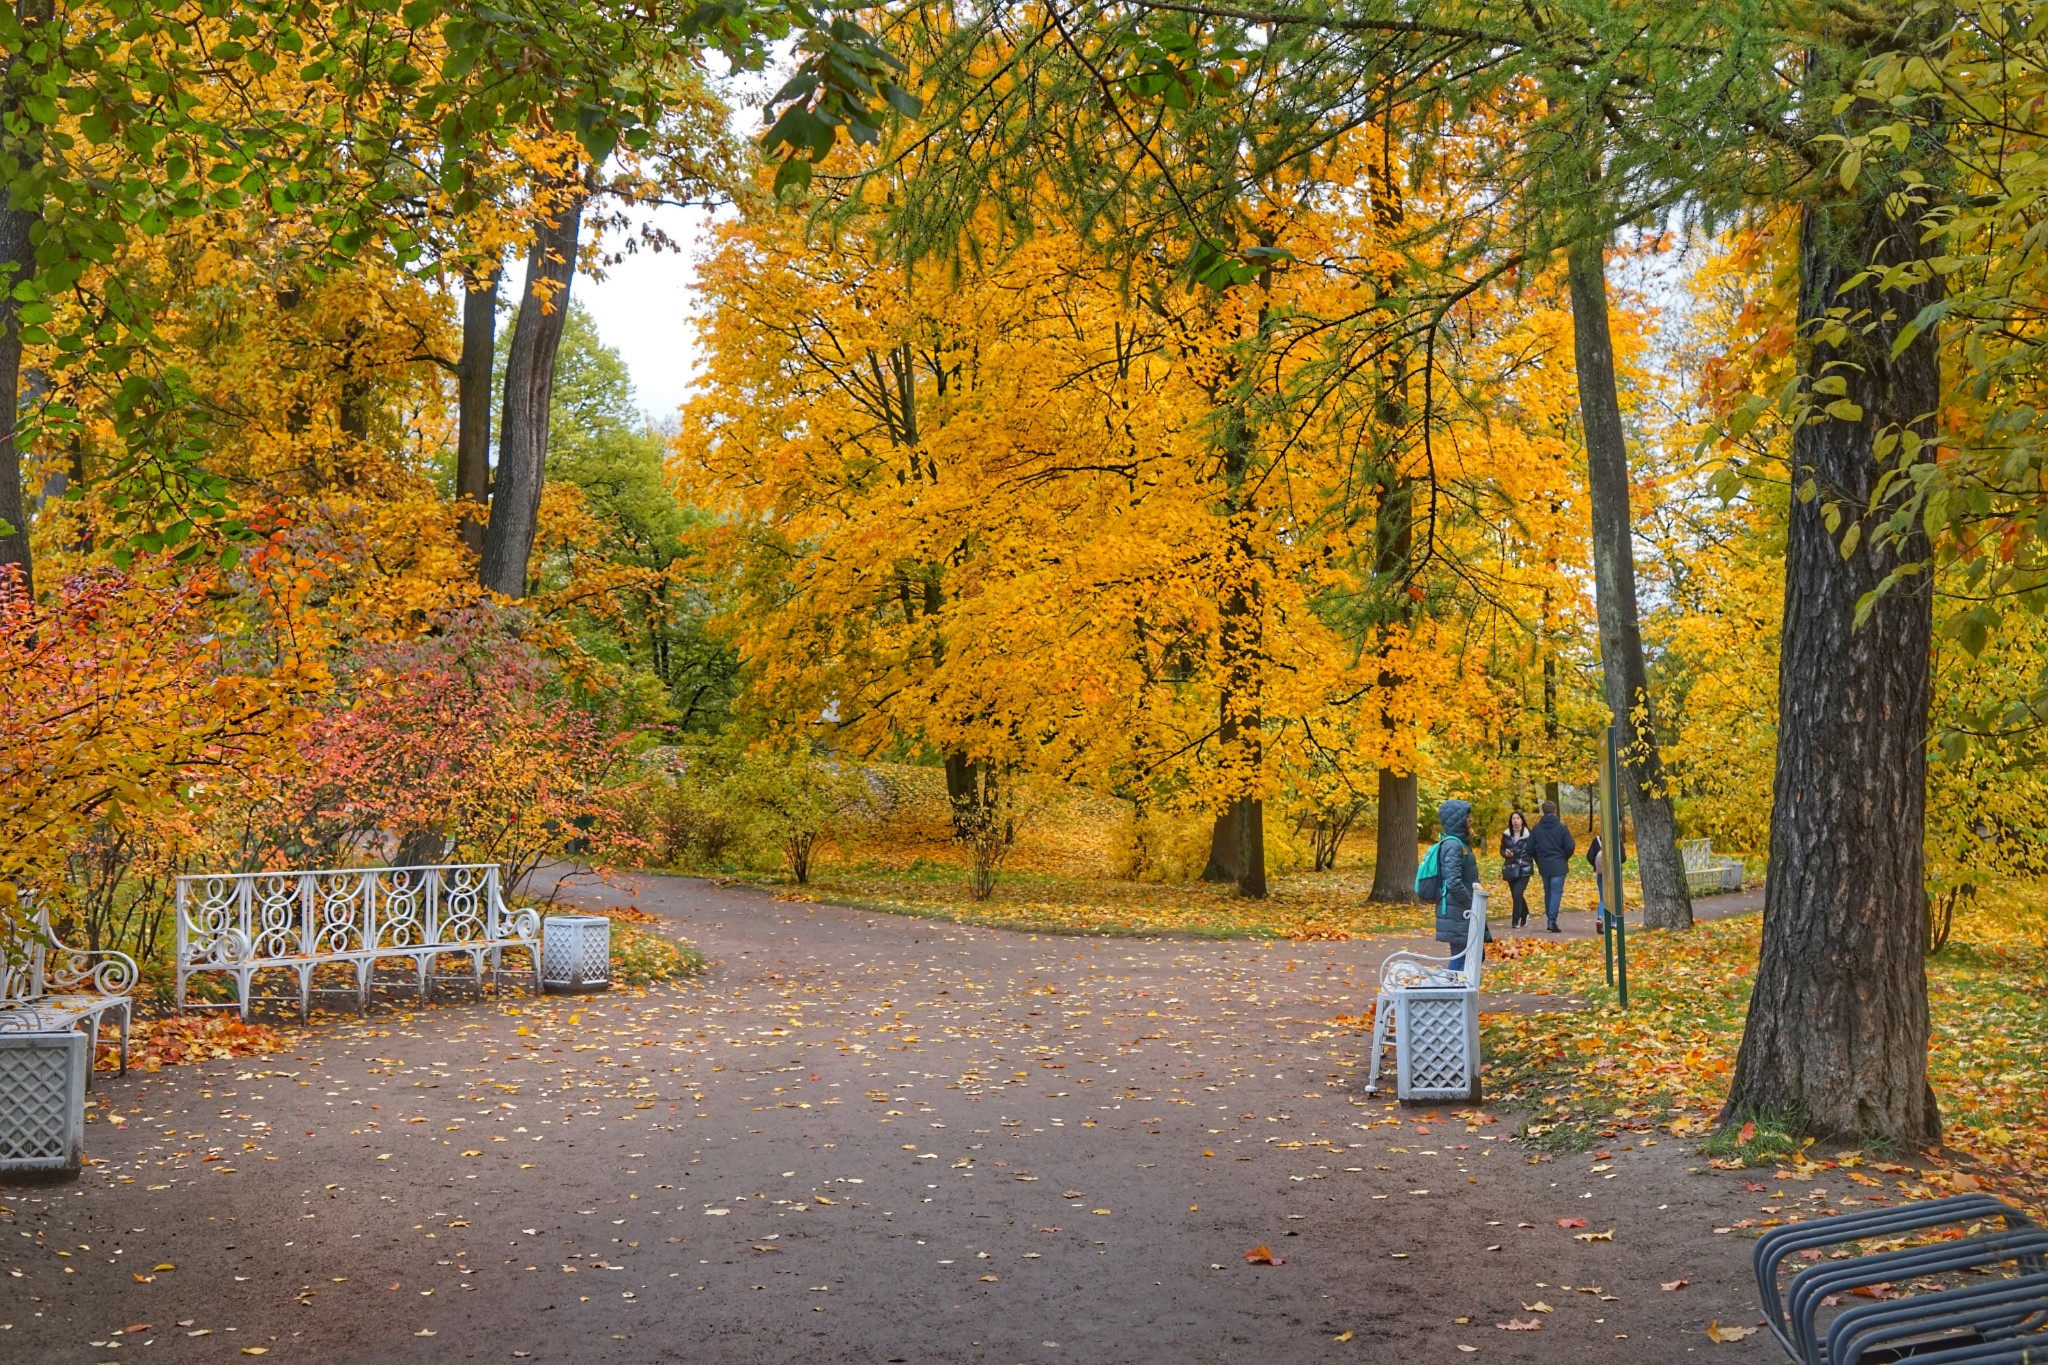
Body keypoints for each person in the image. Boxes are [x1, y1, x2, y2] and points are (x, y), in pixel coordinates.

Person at [1434, 799, 1485, 971]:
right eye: (1467, 816)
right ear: (1457, 820)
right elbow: (1454, 881)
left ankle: (1456, 994)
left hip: (1459, 910)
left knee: (1470, 955)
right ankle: (1451, 994)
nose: (1470, 820)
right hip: (1458, 910)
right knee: (1461, 957)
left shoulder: (1458, 844)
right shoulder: (1453, 845)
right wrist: (1471, 903)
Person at [1528, 798, 1576, 933]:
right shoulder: (1561, 827)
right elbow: (1570, 846)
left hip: (1544, 864)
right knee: (1556, 892)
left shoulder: (1537, 829)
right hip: (1559, 864)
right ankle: (1552, 920)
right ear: (1555, 811)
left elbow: (1529, 848)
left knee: (1548, 892)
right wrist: (1563, 857)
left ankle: (1550, 919)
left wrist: (1539, 859)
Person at [1499, 809, 1534, 929]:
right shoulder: (1506, 834)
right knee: (1516, 895)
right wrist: (1505, 853)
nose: (1515, 821)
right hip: (1511, 868)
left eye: (1518, 818)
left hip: (1525, 868)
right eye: (1513, 819)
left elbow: (1534, 850)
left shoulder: (1529, 835)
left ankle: (1515, 921)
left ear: (1522, 820)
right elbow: (1502, 850)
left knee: (1517, 893)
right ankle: (1525, 914)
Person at [1587, 832, 1607, 931]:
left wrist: (1596, 865)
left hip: (1601, 873)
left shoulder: (1597, 840)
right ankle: (1614, 923)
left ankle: (1600, 918)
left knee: (1603, 898)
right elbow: (1623, 857)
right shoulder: (1615, 839)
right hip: (1613, 874)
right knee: (1615, 899)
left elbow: (1589, 856)